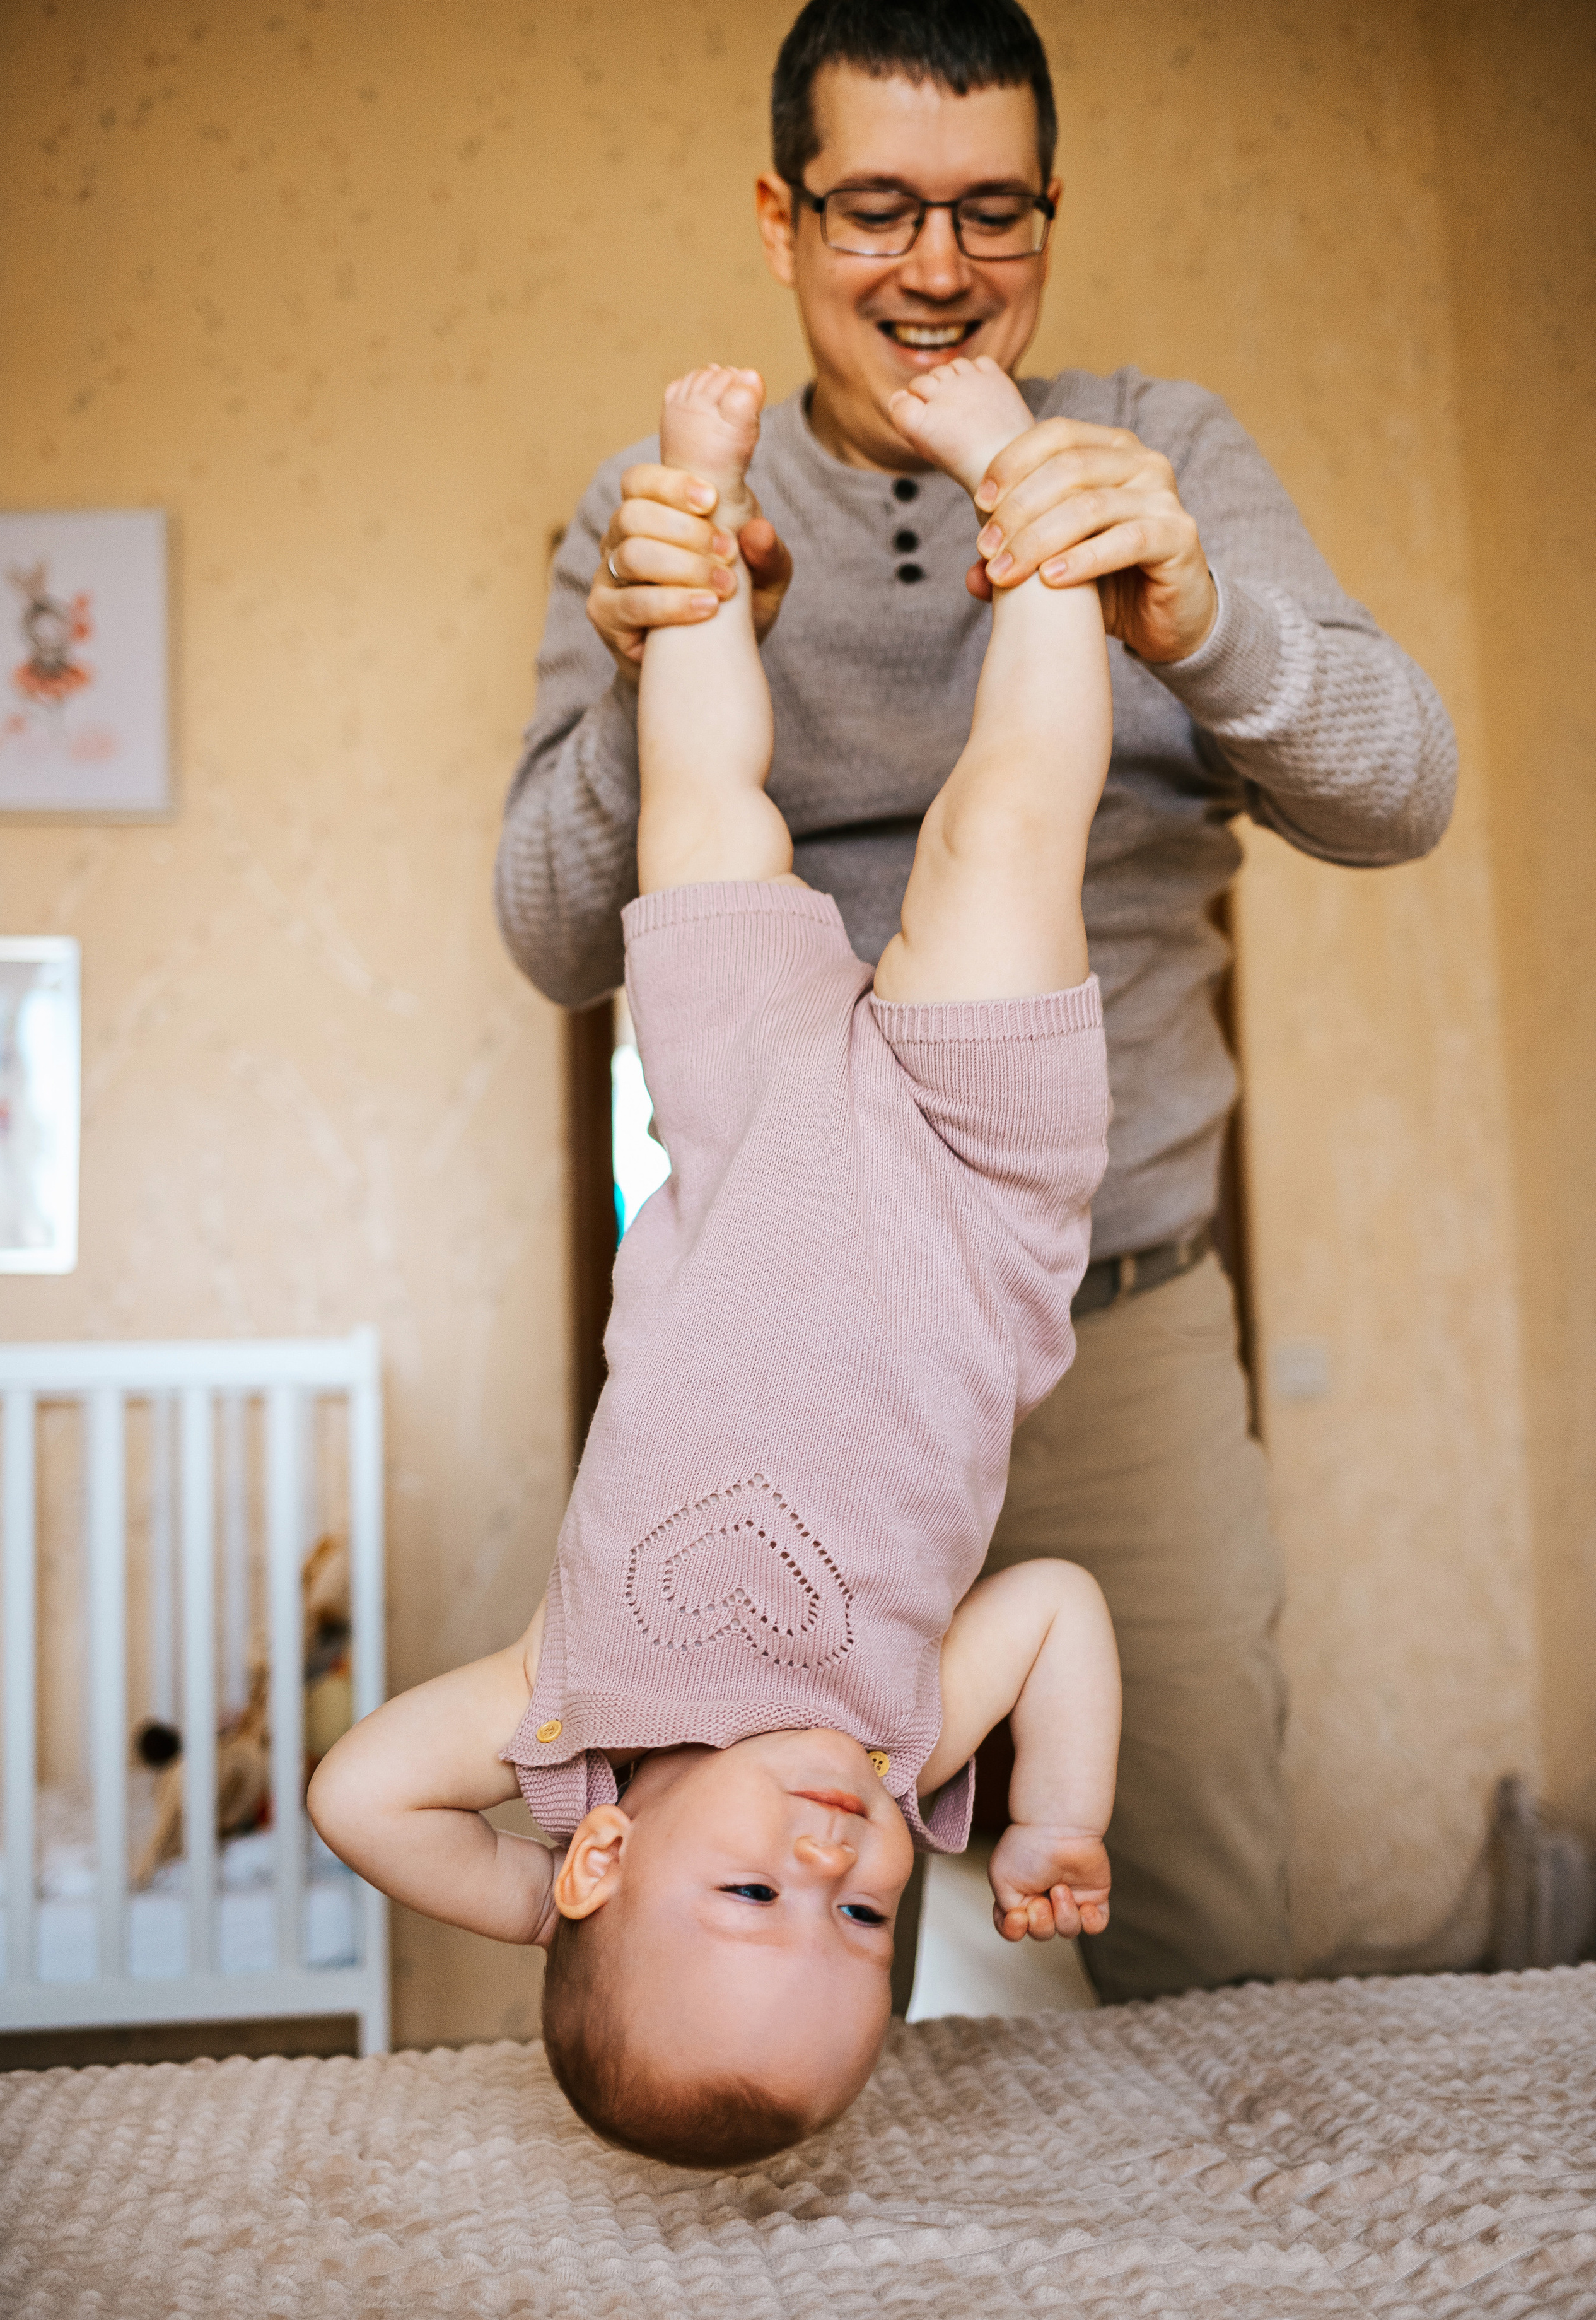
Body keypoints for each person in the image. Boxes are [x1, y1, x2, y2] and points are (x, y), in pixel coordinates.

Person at [496, 0, 1457, 2008]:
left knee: (1189, 1921)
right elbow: (551, 936)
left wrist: (1195, 619)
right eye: (880, 210)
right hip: (775, 1364)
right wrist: (682, 657)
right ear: (782, 213)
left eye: (993, 212)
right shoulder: (659, 501)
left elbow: (1403, 792)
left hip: (1114, 1321)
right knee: (751, 1940)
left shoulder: (1163, 445)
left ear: (1048, 210)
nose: (941, 268)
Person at [310, 353, 1121, 2167]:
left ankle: (687, 491)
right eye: (860, 1927)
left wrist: (539, 1906)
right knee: (1012, 829)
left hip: (749, 1133)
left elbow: (353, 1791)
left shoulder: (559, 1705)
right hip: (969, 1183)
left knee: (701, 818)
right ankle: (1030, 495)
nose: (837, 1865)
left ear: (608, 1856)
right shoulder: (905, 1741)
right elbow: (1059, 1608)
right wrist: (1053, 1817)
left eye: (752, 1897)